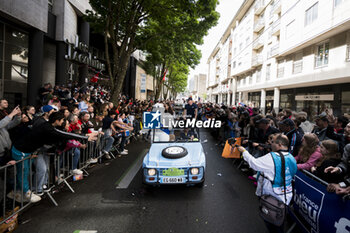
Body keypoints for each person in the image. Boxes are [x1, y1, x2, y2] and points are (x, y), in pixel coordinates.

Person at [237, 134, 297, 233]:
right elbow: (293, 172)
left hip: (271, 194)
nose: (270, 143)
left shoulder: (272, 157)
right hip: (286, 194)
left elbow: (254, 164)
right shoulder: (291, 157)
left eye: (273, 142)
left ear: (280, 144)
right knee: (280, 218)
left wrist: (244, 152)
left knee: (272, 219)